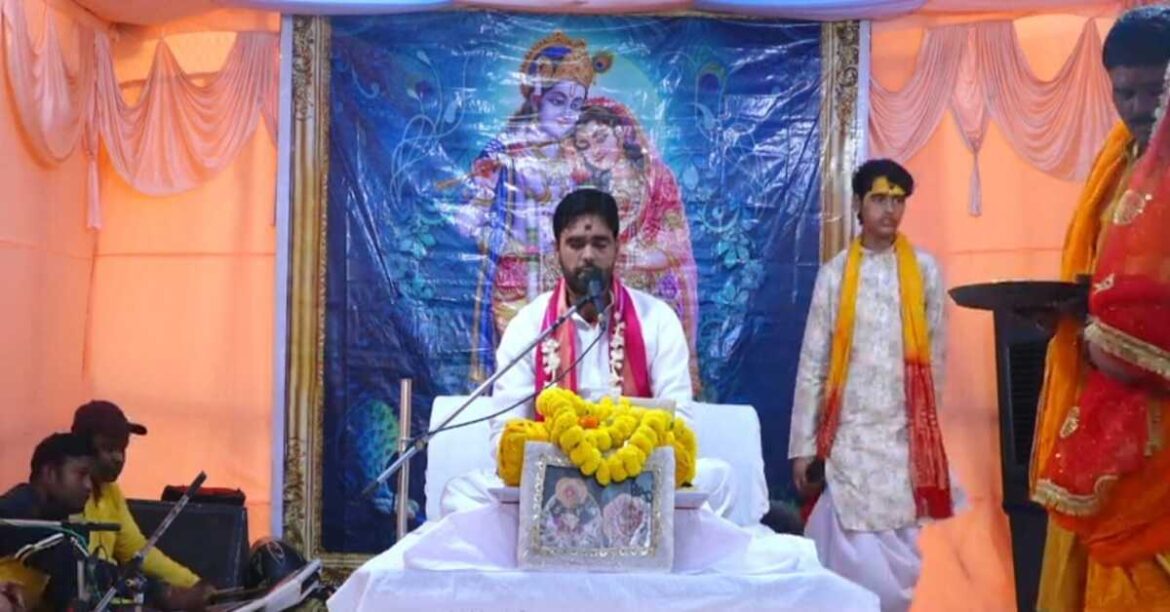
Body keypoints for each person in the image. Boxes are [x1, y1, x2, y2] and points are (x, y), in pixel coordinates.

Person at [441, 188, 744, 523]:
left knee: (721, 482)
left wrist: (623, 456)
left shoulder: (656, 319)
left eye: (599, 243)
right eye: (575, 244)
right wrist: (566, 455)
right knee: (461, 493)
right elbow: (506, 429)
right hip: (551, 479)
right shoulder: (529, 325)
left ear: (617, 248)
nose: (587, 255)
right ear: (557, 250)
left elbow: (679, 420)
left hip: (639, 475)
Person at [1029, 7, 1170, 609]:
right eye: (1124, 92)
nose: (1137, 108)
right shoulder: (1116, 167)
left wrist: (1111, 342)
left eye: (1154, 90)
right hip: (1106, 427)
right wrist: (1068, 321)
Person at [789, 159, 955, 611]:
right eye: (880, 199)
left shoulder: (925, 271)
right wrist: (804, 446)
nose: (890, 210)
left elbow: (935, 362)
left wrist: (928, 441)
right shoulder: (835, 275)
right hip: (848, 446)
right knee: (848, 570)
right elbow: (813, 366)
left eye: (898, 201)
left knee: (898, 577)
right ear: (859, 205)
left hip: (903, 445)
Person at [455, 32, 612, 381]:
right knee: (518, 373)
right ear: (537, 96)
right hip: (514, 280)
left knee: (569, 374)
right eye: (558, 101)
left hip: (566, 282)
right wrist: (505, 242)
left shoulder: (581, 157)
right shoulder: (503, 151)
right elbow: (465, 223)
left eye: (575, 105)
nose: (566, 115)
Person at [568, 98, 702, 391]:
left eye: (600, 137)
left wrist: (631, 257)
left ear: (620, 132)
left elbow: (677, 241)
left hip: (656, 292)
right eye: (584, 145)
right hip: (608, 295)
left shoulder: (656, 178)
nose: (595, 150)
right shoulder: (590, 192)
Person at [0, 433, 202, 610]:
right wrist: (160, 592)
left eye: (91, 477)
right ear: (50, 473)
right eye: (81, 475)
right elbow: (77, 565)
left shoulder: (57, 516)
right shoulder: (18, 511)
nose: (88, 485)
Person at [71, 400, 212, 610]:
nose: (119, 458)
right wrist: (159, 592)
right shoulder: (69, 495)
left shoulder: (112, 493)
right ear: (82, 446)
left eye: (122, 449)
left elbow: (137, 550)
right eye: (109, 448)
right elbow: (83, 571)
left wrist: (193, 584)